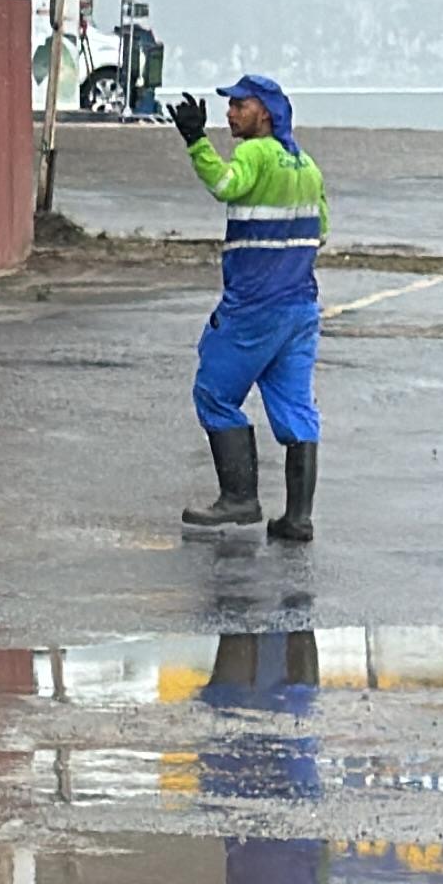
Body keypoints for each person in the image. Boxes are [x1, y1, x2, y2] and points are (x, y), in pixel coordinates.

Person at [170, 74, 325, 541]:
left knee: (214, 394)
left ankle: (239, 499)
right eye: (230, 105)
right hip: (300, 307)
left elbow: (224, 185)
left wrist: (196, 141)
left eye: (240, 104)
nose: (230, 113)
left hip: (253, 308)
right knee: (296, 408)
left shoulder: (254, 154)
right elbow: (322, 231)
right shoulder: (307, 166)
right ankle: (297, 518)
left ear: (267, 114)